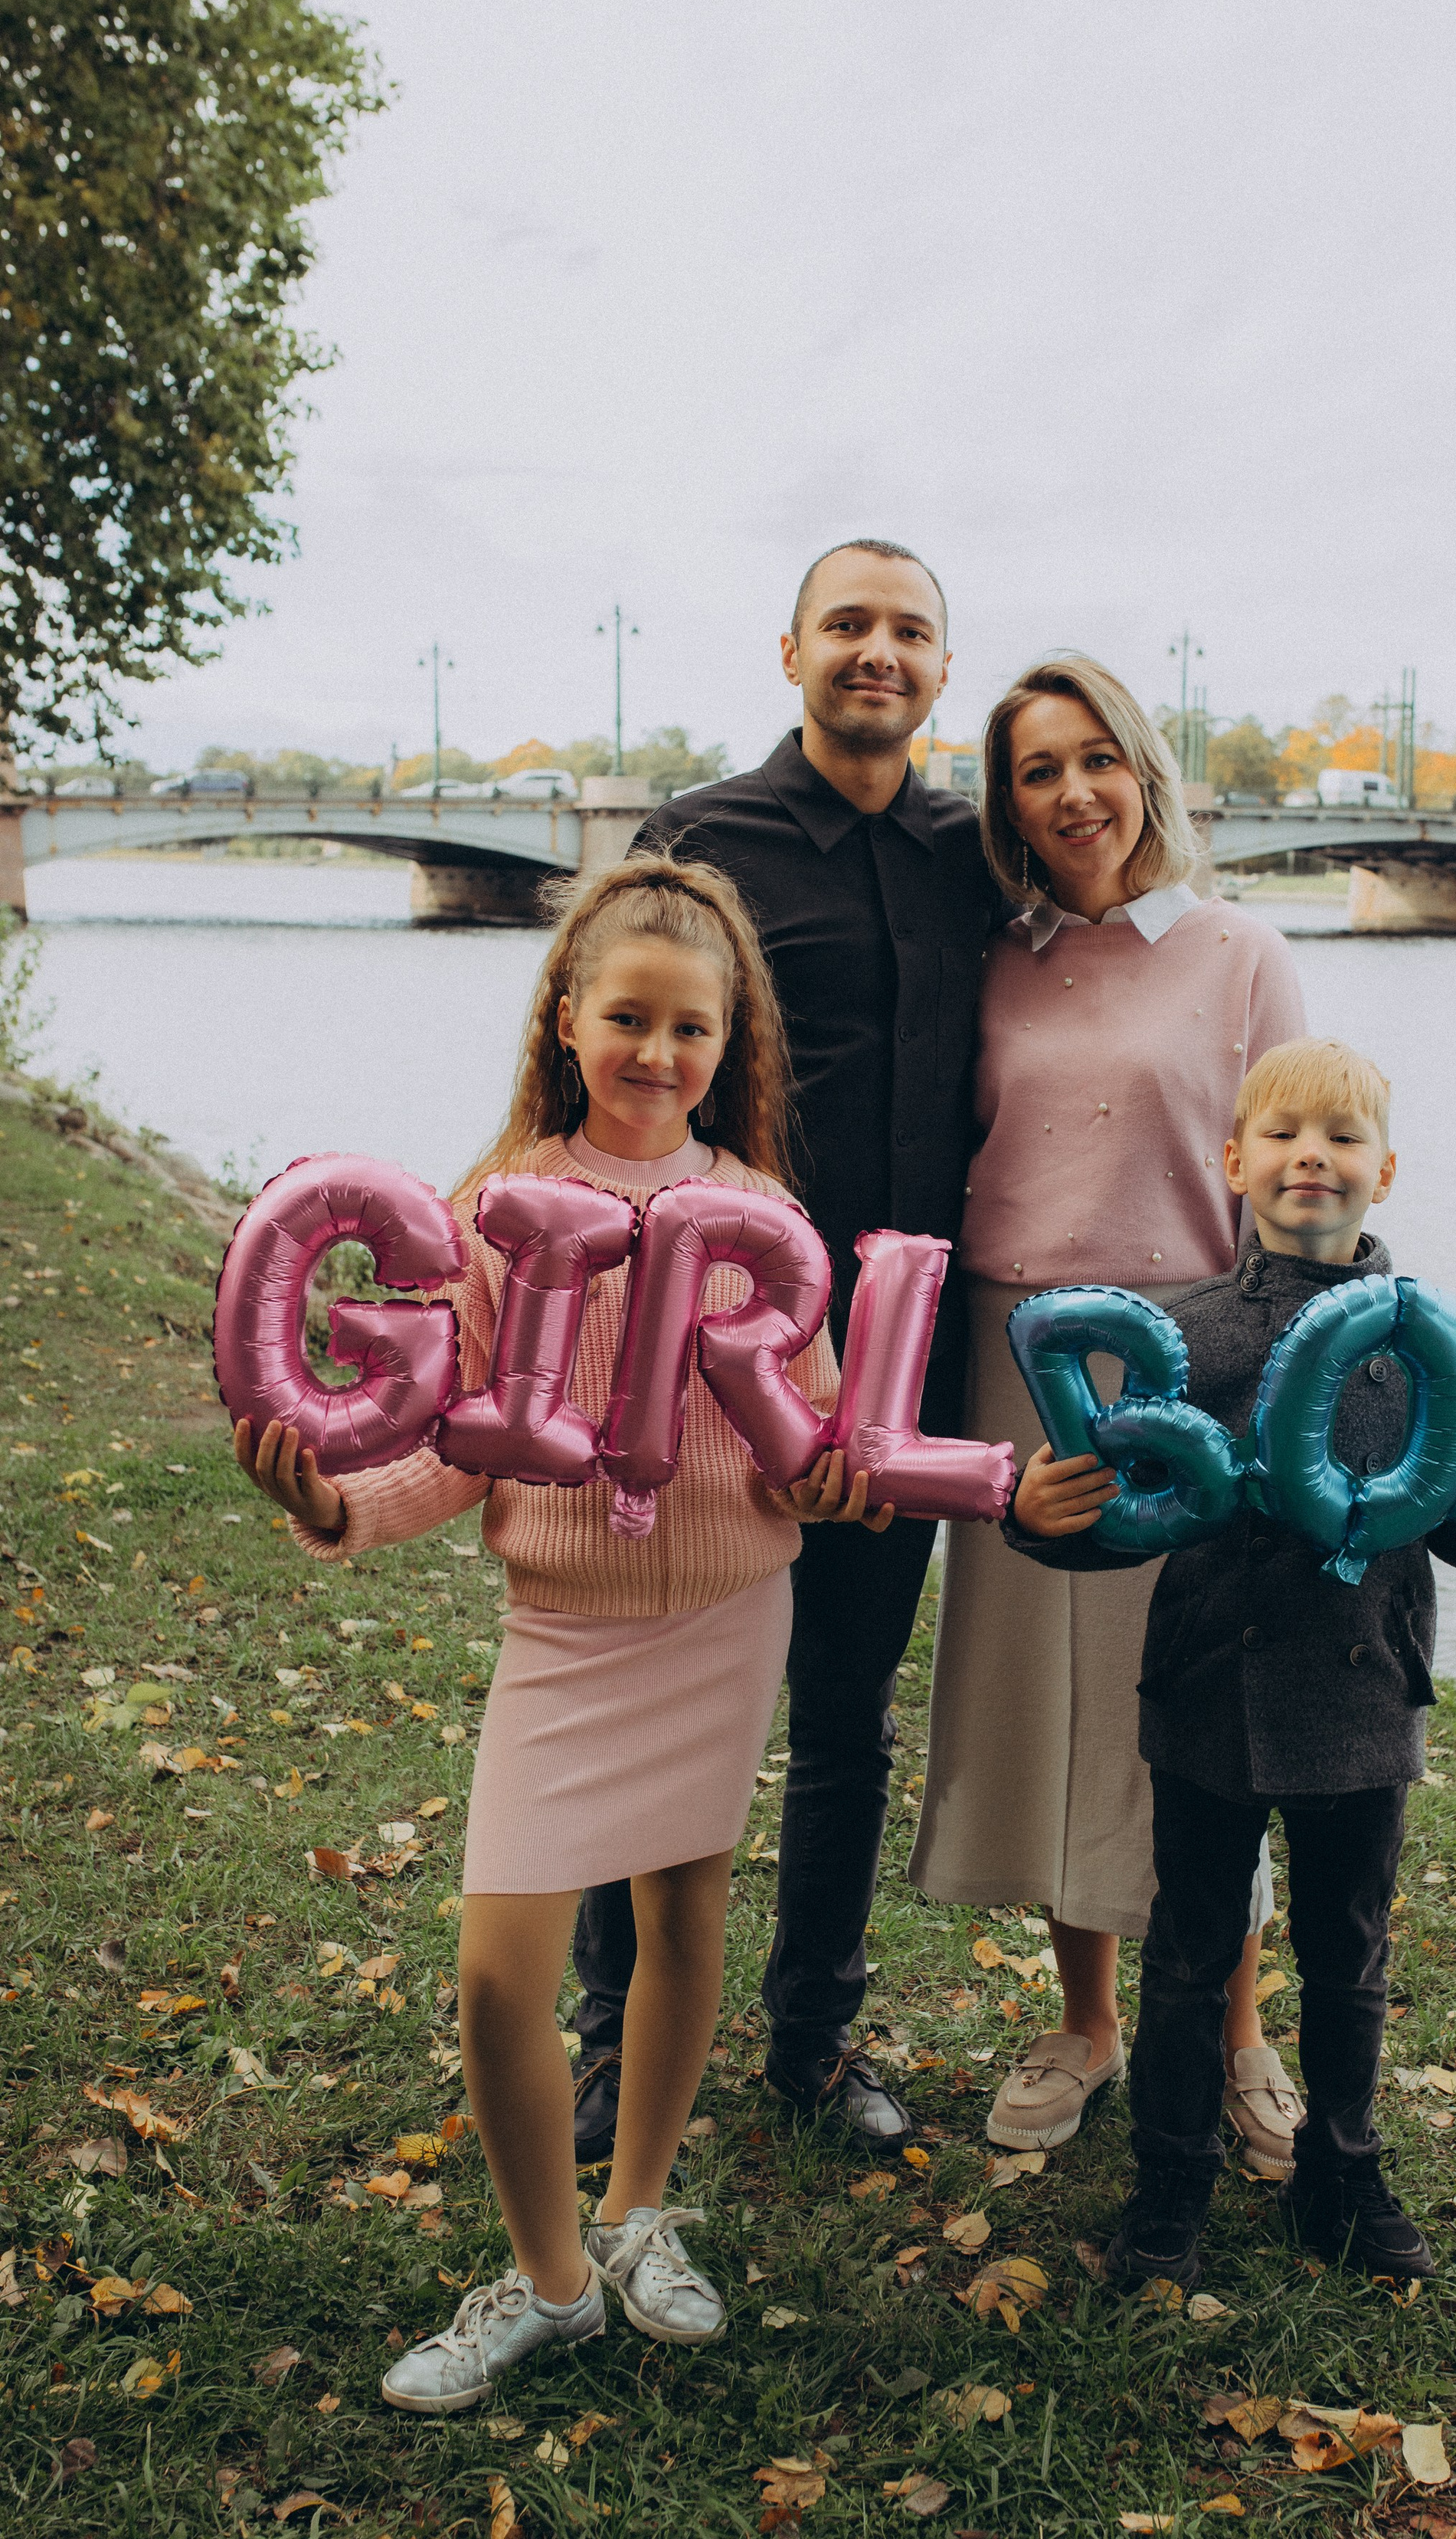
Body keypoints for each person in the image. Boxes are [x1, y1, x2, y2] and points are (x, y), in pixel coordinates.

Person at [232, 855, 886, 2413]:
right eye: (629, 1019)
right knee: (497, 1976)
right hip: (564, 1632)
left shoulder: (761, 1210)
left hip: (728, 1612)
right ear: (569, 1020)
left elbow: (821, 1423)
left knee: (683, 1922)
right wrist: (340, 1506)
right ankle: (545, 2283)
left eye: (691, 1029)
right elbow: (458, 1440)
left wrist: (841, 1478)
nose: (658, 1054)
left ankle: (638, 2212)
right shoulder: (496, 1208)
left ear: (731, 1047)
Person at [1009, 1035, 1456, 2291]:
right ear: (1234, 1160)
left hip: (1364, 1699)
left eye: (1344, 1138)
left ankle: (1340, 2171)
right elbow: (1127, 1522)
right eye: (1286, 1134)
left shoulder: (1422, 1350)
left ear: (1385, 1173)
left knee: (1346, 1951)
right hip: (1204, 1697)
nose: (1314, 1157)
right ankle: (1170, 2186)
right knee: (1191, 1954)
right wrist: (1040, 1514)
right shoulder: (1176, 1336)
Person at [567, 539, 1003, 2161]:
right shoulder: (701, 841)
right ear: (789, 650)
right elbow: (603, 1050)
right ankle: (615, 2039)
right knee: (672, 1690)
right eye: (847, 625)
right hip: (707, 1354)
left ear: (941, 668)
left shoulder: (980, 856)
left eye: (908, 631)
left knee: (843, 1712)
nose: (874, 652)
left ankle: (813, 2041)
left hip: (902, 1367)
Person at [910, 655, 1305, 2169]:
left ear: (1139, 768)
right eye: (1033, 770)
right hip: (1017, 1359)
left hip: (1187, 1360)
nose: (1070, 793)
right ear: (1005, 802)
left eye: (1094, 760)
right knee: (1055, 1702)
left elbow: (1281, 1172)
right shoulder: (997, 959)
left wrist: (1278, 1371)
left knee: (1199, 1702)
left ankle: (1237, 2037)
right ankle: (1082, 2023)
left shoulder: (1239, 953)